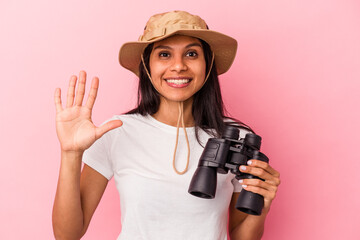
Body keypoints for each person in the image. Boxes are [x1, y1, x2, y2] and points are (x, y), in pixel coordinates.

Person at [52, 10, 280, 240]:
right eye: (164, 54)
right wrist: (70, 153)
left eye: (191, 54)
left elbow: (242, 237)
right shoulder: (117, 131)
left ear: (207, 64)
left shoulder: (236, 138)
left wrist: (261, 206)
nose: (178, 66)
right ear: (147, 65)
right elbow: (67, 235)